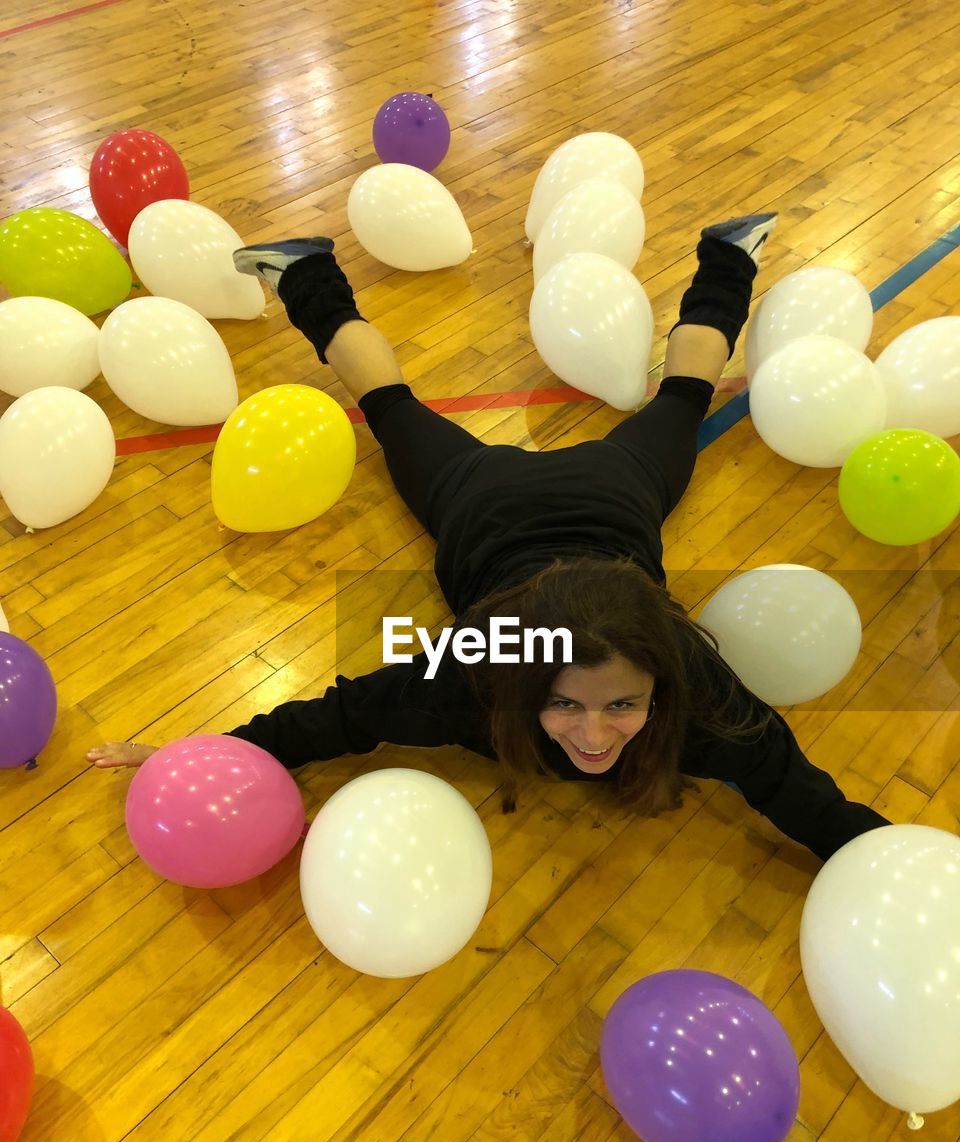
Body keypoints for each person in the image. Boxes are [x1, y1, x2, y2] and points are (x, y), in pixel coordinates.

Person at [87, 214, 891, 861]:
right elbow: (331, 721)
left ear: (660, 683)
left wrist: (886, 857)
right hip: (487, 505)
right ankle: (302, 271)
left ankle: (729, 254)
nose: (595, 733)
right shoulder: (470, 671)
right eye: (564, 704)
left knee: (669, 396)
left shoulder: (693, 687)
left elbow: (801, 793)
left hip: (605, 497)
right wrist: (187, 759)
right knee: (400, 404)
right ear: (519, 677)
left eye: (622, 704)